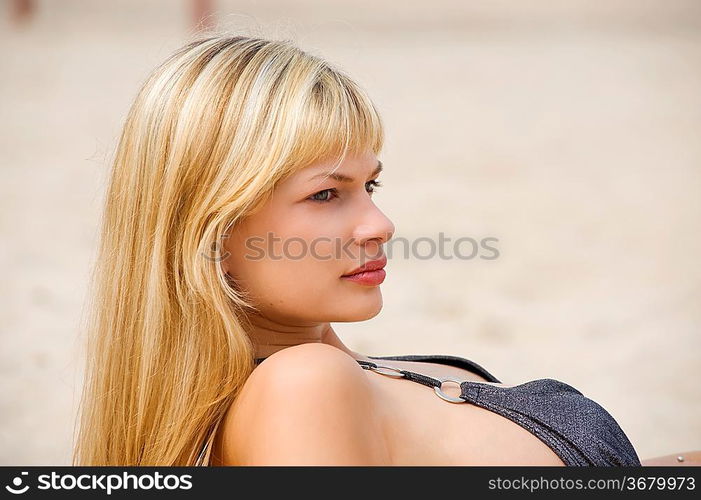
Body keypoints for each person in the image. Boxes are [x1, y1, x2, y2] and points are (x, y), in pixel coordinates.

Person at [73, 33, 697, 466]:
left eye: (370, 185)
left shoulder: (331, 378)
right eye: (325, 195)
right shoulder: (301, 388)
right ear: (210, 232)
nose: (380, 223)